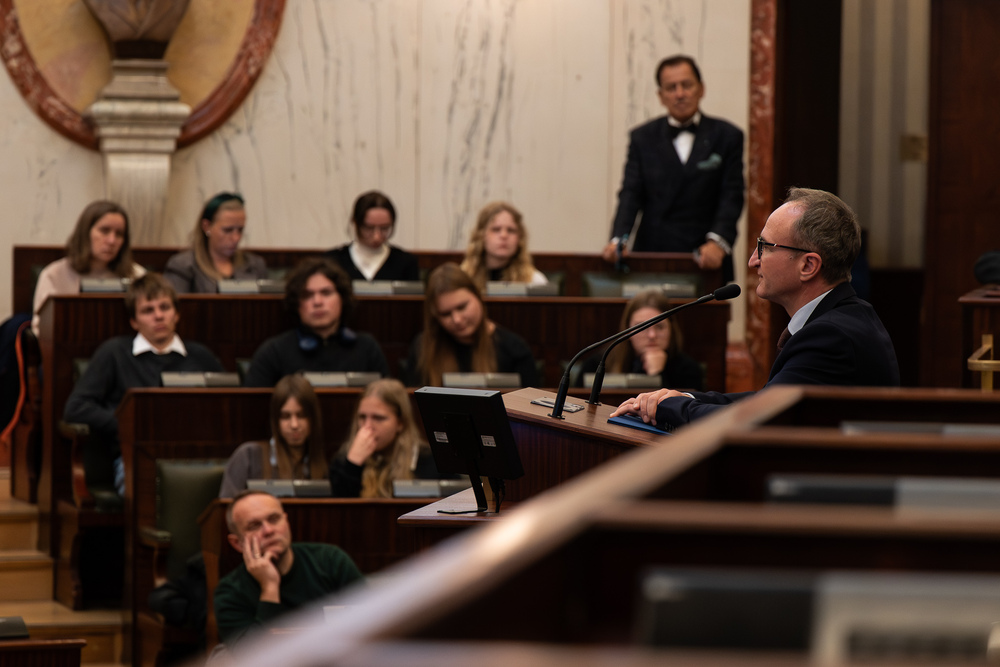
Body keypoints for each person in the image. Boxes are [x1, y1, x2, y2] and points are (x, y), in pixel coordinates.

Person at [611, 188, 899, 428]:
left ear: (808, 265)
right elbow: (765, 400)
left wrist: (670, 409)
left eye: (765, 246)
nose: (752, 260)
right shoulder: (845, 317)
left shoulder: (831, 337)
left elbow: (756, 419)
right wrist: (682, 397)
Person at [63, 273, 223, 495]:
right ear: (134, 321)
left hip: (197, 458)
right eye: (148, 310)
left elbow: (227, 407)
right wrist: (127, 424)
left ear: (176, 314)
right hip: (136, 460)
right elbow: (76, 407)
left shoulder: (201, 356)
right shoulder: (115, 354)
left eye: (164, 307)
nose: (158, 316)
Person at [602, 55, 745, 275]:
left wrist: (718, 242)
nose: (680, 94)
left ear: (701, 89)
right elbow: (630, 194)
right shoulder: (642, 138)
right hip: (652, 255)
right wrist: (618, 239)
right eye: (671, 88)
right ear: (661, 96)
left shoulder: (727, 136)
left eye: (686, 85)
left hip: (705, 256)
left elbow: (732, 196)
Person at [213, 490, 363, 644]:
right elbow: (252, 655)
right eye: (254, 526)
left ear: (286, 522)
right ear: (237, 543)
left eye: (274, 519)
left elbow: (371, 624)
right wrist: (269, 587)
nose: (268, 530)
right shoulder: (229, 592)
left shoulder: (330, 560)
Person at [243, 257, 389, 387]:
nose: (317, 302)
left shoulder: (367, 349)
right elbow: (252, 406)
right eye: (307, 295)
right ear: (297, 304)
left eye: (326, 293)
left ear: (342, 298)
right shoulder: (274, 352)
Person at [405, 263, 539, 387]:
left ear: (478, 296)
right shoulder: (422, 347)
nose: (456, 320)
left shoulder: (514, 349)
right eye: (445, 314)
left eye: (462, 307)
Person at [32, 200, 145, 335]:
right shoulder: (54, 275)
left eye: (119, 234)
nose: (112, 240)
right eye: (105, 231)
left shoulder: (137, 275)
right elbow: (40, 328)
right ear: (85, 233)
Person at [219, 375, 328, 498]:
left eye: (301, 415)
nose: (294, 425)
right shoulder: (248, 456)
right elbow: (228, 509)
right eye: (286, 416)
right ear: (275, 421)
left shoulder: (327, 462)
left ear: (313, 419)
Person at [582, 289, 704, 391]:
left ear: (671, 329)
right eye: (642, 327)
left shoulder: (688, 370)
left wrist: (657, 375)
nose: (652, 335)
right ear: (628, 330)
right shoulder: (597, 364)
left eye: (660, 327)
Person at [329, 379, 432, 498]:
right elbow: (340, 511)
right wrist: (352, 465)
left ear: (400, 423)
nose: (367, 426)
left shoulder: (427, 461)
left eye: (378, 418)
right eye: (362, 417)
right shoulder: (343, 461)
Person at [164, 192, 268, 293]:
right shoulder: (183, 266)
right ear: (207, 226)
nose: (236, 238)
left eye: (240, 230)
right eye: (228, 230)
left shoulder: (255, 265)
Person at [324, 190, 419, 282]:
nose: (376, 236)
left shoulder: (405, 262)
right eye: (369, 228)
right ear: (356, 224)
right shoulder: (332, 261)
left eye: (384, 228)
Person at [459, 201, 547, 292]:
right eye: (496, 229)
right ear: (481, 235)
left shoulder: (535, 281)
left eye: (511, 230)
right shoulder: (463, 278)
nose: (504, 236)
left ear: (520, 238)